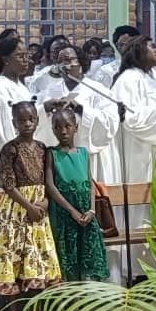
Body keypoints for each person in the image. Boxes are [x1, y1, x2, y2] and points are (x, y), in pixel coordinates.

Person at [111, 36, 156, 280]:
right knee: (139, 214)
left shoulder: (155, 76)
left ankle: (154, 269)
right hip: (138, 156)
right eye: (151, 47)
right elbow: (131, 119)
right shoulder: (128, 79)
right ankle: (135, 271)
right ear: (137, 52)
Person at [0, 100, 61, 300]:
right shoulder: (10, 149)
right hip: (17, 209)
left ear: (37, 121)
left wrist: (45, 202)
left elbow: (48, 181)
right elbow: (7, 184)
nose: (27, 123)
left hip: (38, 209)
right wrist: (28, 206)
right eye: (22, 120)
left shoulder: (42, 148)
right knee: (13, 255)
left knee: (38, 255)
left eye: (31, 119)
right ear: (14, 123)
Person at [34, 44, 121, 184]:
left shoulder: (98, 90)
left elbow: (110, 121)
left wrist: (81, 110)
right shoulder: (49, 92)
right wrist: (45, 108)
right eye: (60, 61)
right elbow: (35, 123)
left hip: (91, 158)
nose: (63, 65)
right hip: (61, 159)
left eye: (68, 60)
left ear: (80, 62)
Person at [44, 107, 108, 283]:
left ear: (76, 127)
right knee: (69, 256)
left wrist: (92, 210)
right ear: (53, 130)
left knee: (86, 254)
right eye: (58, 127)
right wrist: (72, 211)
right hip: (65, 214)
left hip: (85, 212)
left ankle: (88, 299)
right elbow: (50, 185)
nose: (63, 131)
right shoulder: (52, 153)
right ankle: (72, 300)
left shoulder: (83, 153)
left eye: (68, 126)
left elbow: (89, 182)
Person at [0, 37, 38, 184]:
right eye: (20, 56)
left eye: (27, 56)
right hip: (11, 155)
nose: (25, 60)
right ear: (6, 59)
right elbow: (0, 128)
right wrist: (15, 156)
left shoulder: (22, 87)